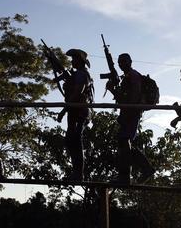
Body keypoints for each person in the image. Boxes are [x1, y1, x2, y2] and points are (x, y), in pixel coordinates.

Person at [106, 53, 155, 185]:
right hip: (128, 112)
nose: (121, 64)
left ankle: (127, 175)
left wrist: (128, 112)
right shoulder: (127, 77)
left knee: (124, 141)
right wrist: (113, 91)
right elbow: (123, 98)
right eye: (119, 62)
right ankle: (143, 169)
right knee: (124, 143)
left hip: (131, 113)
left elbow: (133, 97)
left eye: (124, 61)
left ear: (130, 61)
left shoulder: (133, 76)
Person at [62, 49, 94, 181]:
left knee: (75, 139)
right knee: (71, 139)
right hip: (75, 110)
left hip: (79, 110)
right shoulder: (77, 74)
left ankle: (78, 174)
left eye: (74, 59)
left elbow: (78, 92)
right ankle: (76, 172)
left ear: (80, 61)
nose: (72, 61)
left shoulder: (81, 74)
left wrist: (64, 109)